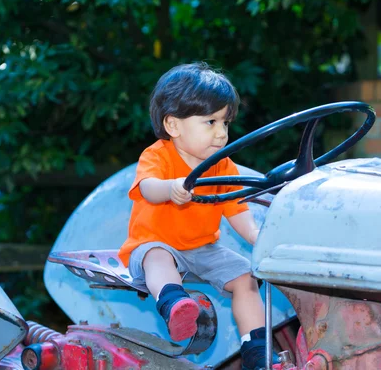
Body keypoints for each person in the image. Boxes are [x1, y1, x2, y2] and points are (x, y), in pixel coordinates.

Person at [118, 62, 279, 369]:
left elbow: (236, 208)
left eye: (225, 123)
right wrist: (170, 188)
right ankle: (175, 304)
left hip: (203, 248)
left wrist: (257, 236)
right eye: (210, 122)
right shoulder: (158, 156)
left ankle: (257, 349)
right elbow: (148, 188)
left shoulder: (221, 165)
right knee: (155, 256)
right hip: (156, 241)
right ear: (173, 126)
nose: (221, 134)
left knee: (247, 276)